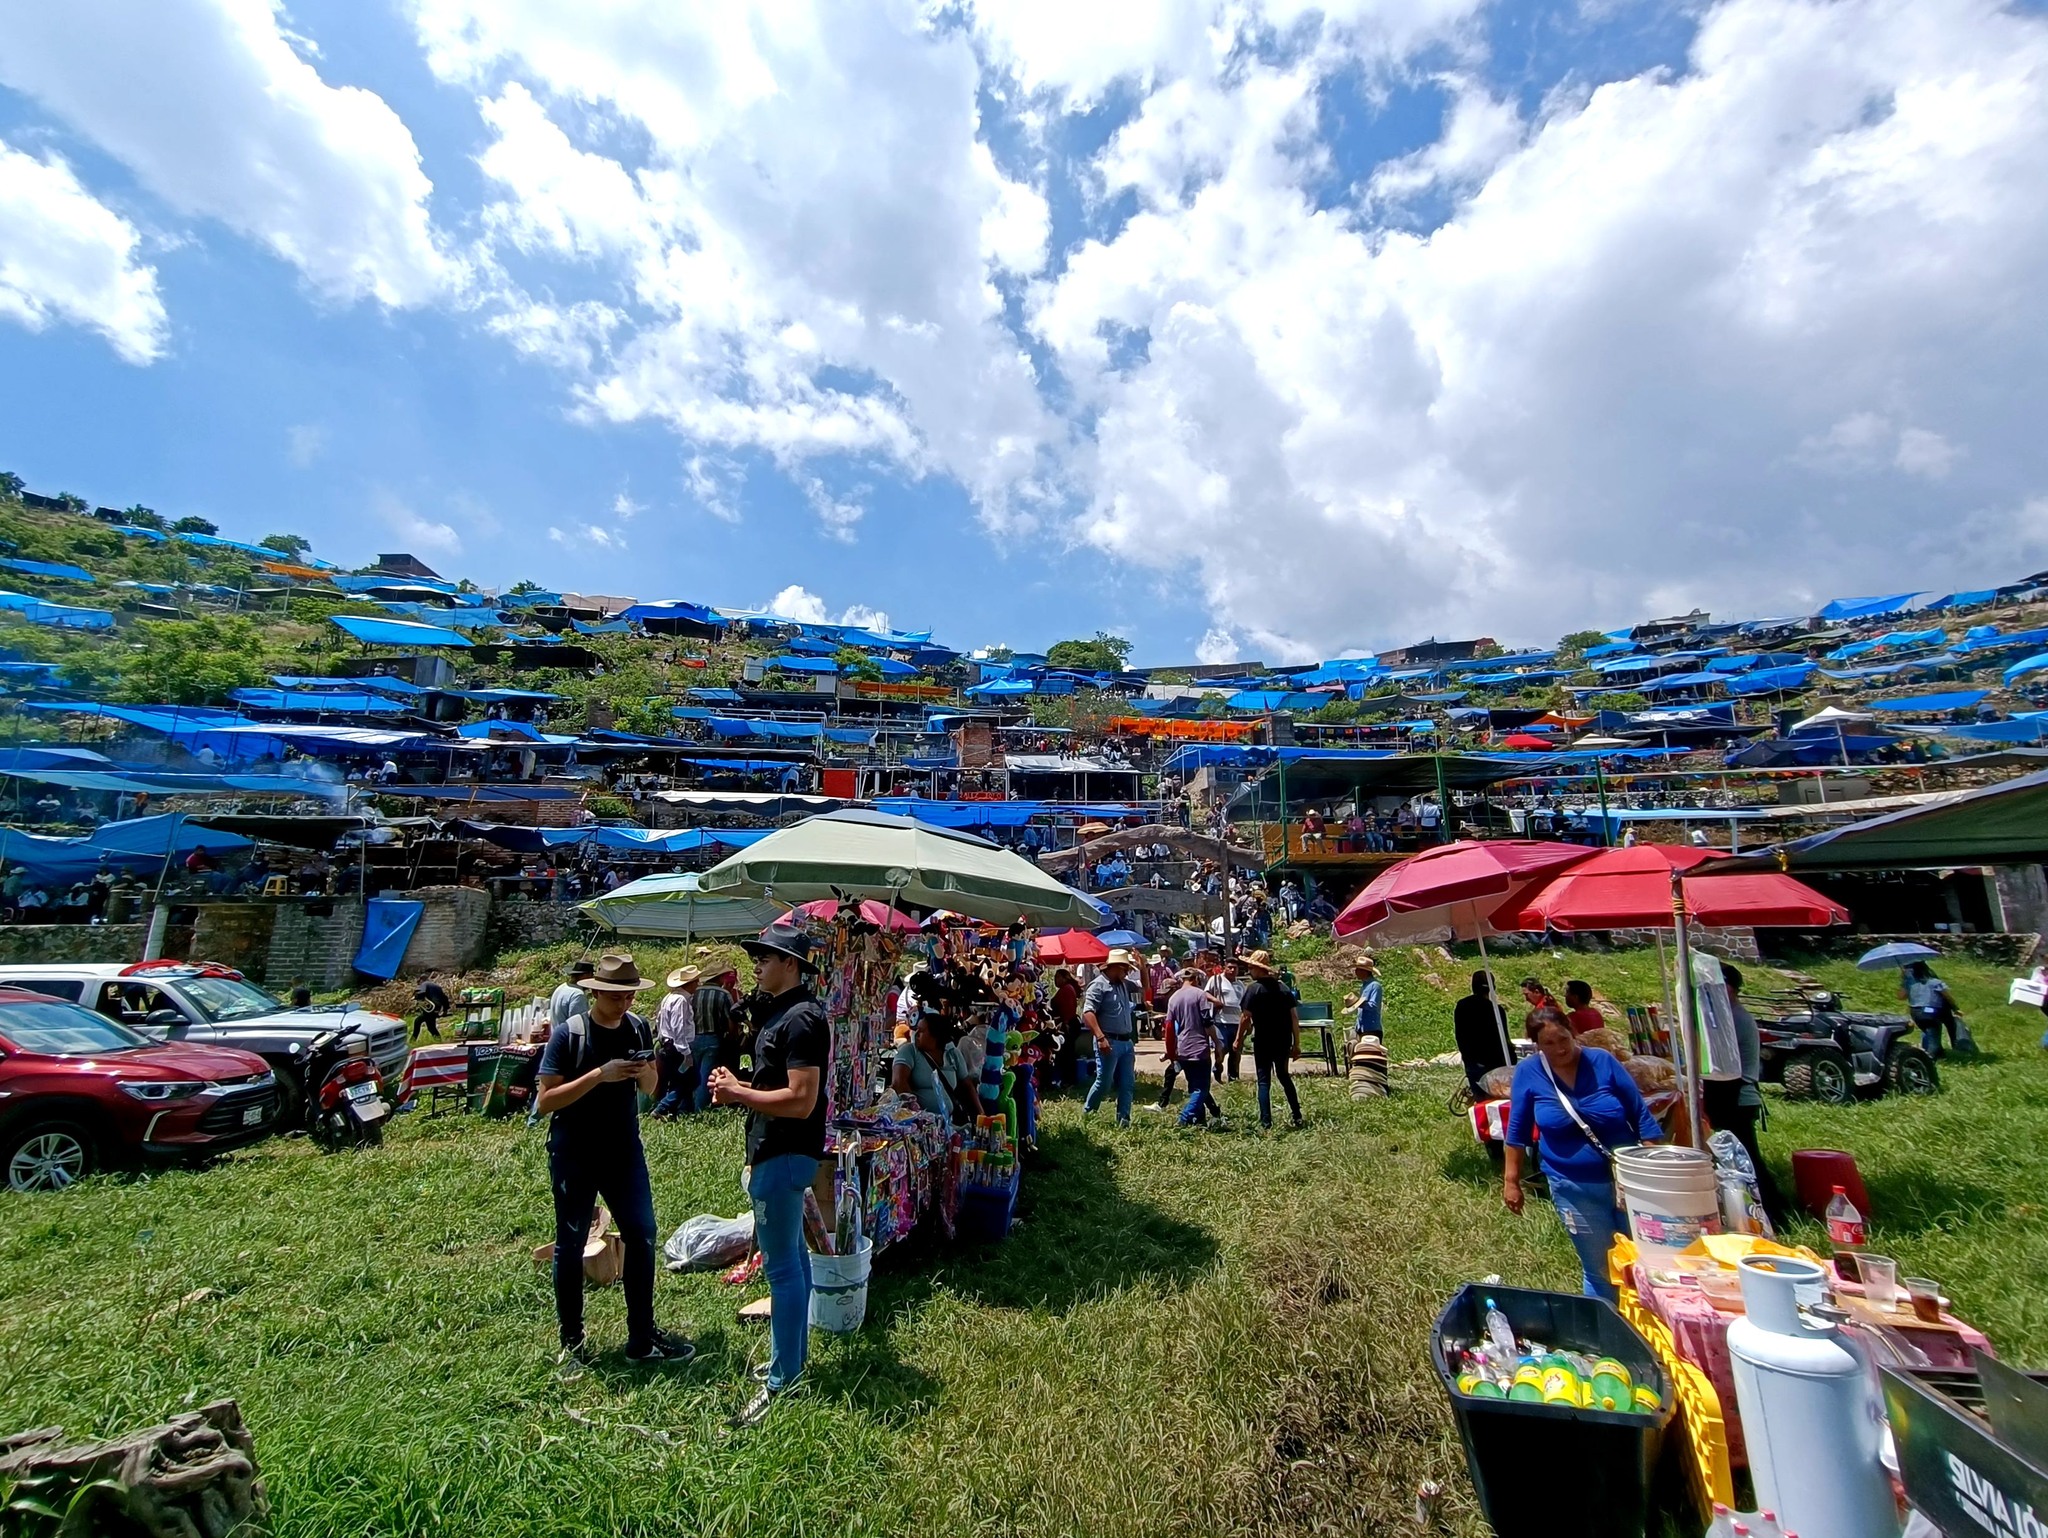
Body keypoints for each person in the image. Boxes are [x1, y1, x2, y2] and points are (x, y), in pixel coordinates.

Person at [533, 953, 694, 1369]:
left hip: (624, 1151)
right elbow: (546, 1101)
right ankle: (572, 1343)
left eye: (629, 995)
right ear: (596, 991)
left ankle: (641, 1336)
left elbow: (656, 1086)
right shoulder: (570, 1034)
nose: (624, 1004)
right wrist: (597, 1076)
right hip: (574, 1152)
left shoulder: (639, 1026)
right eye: (616, 995)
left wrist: (643, 1076)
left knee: (642, 1235)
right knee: (570, 1246)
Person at [709, 923, 828, 1427]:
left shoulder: (802, 1019)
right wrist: (739, 1085)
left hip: (783, 1150)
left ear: (792, 965)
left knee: (781, 1269)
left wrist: (739, 1094)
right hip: (776, 1150)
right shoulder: (784, 1013)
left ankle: (783, 1378)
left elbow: (801, 1101)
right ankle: (791, 1362)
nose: (757, 963)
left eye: (767, 956)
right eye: (756, 955)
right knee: (793, 1263)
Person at [1502, 1006, 1663, 1300]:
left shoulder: (1602, 1062)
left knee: (1648, 1263)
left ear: (1573, 1032)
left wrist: (1651, 1169)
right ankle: (1611, 1335)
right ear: (1536, 1045)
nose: (1559, 1049)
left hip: (1629, 1184)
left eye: (1563, 1039)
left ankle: (1650, 1330)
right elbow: (1517, 1133)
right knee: (1601, 1269)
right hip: (1573, 1188)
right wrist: (1511, 1181)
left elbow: (1641, 1116)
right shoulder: (1529, 1072)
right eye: (1548, 1044)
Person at [1704, 964, 1787, 1227]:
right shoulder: (1729, 1017)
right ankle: (1770, 1208)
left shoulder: (1736, 1019)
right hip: (1735, 1096)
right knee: (1745, 1158)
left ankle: (1775, 1214)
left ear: (1729, 989)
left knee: (1748, 1160)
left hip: (1738, 1097)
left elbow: (1727, 1069)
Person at [1239, 950, 1303, 1129]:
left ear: (1259, 969)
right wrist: (1296, 1044)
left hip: (1263, 1041)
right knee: (1284, 1077)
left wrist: (1238, 1039)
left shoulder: (1254, 989)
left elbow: (1245, 1017)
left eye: (1251, 967)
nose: (1249, 970)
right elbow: (1294, 1018)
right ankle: (1297, 1115)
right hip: (1283, 1041)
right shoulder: (1283, 988)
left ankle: (1266, 1122)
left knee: (1264, 1080)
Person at [1081, 947, 1143, 1127]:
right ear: (1116, 967)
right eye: (1126, 969)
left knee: (1127, 1084)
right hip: (1109, 1040)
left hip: (1125, 1041)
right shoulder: (1098, 985)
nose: (1127, 973)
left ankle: (1124, 1121)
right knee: (1104, 1083)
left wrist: (1143, 967)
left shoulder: (1122, 985)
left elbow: (1144, 988)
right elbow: (1088, 1013)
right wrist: (1100, 1038)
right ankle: (1088, 1114)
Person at [1163, 968, 1225, 1129]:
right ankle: (1184, 1118)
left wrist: (1171, 1051)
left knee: (1193, 1086)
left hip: (1183, 1047)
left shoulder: (1174, 998)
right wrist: (1217, 1042)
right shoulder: (1200, 995)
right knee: (1201, 1088)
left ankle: (1198, 1120)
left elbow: (1169, 1027)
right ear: (1196, 979)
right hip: (1199, 1047)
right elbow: (1206, 1021)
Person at [1453, 972, 1511, 1096]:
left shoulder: (1462, 1006)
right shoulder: (1496, 1010)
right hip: (1494, 1065)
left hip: (1472, 1061)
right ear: (1492, 988)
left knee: (1480, 1103)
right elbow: (1504, 1041)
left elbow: (1459, 1035)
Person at [651, 967, 699, 1117]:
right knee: (689, 1080)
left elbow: (660, 1020)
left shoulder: (669, 997)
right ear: (690, 983)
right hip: (676, 1047)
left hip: (667, 1044)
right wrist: (685, 1052)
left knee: (676, 1080)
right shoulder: (681, 1000)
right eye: (696, 982)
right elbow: (678, 1026)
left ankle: (678, 1111)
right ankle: (662, 1108)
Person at [1902, 959, 1974, 1057]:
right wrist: (1955, 1008)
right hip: (1930, 1011)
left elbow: (1901, 997)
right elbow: (1947, 996)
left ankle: (1938, 1051)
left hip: (1915, 1012)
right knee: (1934, 1034)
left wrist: (1904, 981)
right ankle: (1930, 1058)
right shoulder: (1934, 982)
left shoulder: (1910, 983)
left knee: (1930, 1032)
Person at [690, 968, 736, 1112]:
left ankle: (687, 1106)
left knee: (693, 1075)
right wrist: (733, 1037)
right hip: (713, 1038)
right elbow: (731, 1020)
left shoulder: (693, 993)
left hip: (692, 1038)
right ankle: (700, 1110)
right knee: (705, 1076)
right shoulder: (723, 994)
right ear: (720, 978)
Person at [1206, 956, 1246, 1081]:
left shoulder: (1240, 985)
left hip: (1237, 1022)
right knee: (1221, 1048)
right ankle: (1217, 1067)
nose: (1232, 970)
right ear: (1224, 968)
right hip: (1221, 1021)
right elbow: (1205, 993)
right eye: (1230, 967)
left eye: (1235, 968)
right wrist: (1215, 1000)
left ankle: (1233, 1077)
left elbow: (1245, 1004)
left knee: (1236, 1052)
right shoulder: (1216, 980)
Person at [547, 959, 595, 1046]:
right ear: (585, 975)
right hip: (568, 1045)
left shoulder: (562, 987)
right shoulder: (577, 995)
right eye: (591, 975)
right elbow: (579, 1026)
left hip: (557, 1041)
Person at [1343, 955, 1384, 1044]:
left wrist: (1359, 1003)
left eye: (1358, 969)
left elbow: (1373, 1006)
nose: (1356, 972)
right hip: (1361, 1028)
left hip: (1371, 1028)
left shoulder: (1375, 986)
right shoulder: (1364, 986)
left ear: (1364, 971)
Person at [410, 978, 450, 1044]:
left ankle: (412, 1040)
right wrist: (445, 1009)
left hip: (431, 1009)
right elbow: (445, 998)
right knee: (431, 1027)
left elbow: (421, 992)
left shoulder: (424, 984)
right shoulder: (437, 986)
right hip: (436, 1008)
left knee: (417, 1022)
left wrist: (416, 996)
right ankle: (438, 1040)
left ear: (421, 980)